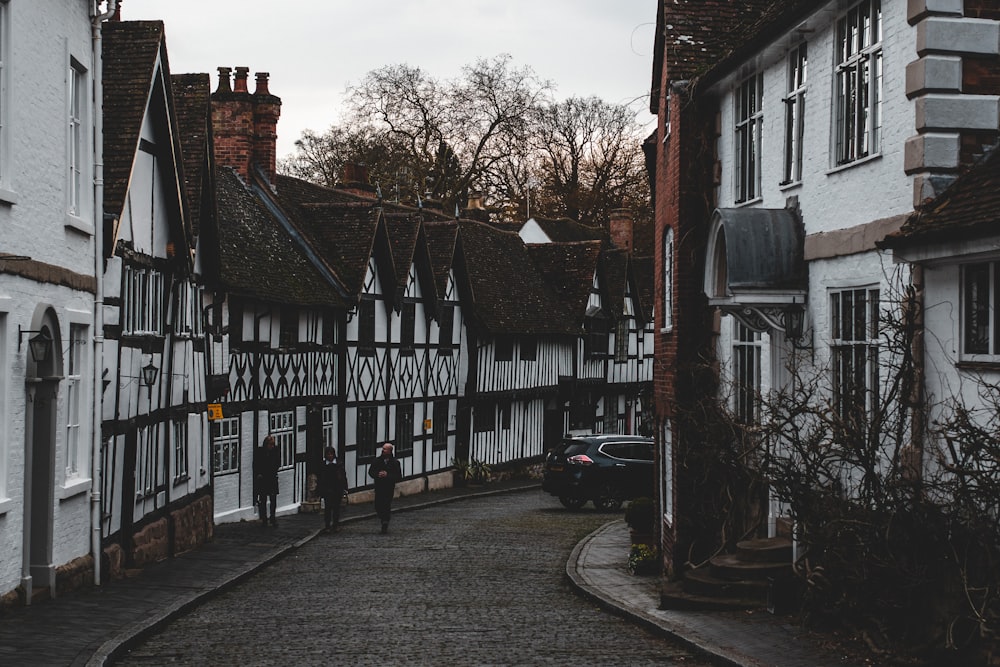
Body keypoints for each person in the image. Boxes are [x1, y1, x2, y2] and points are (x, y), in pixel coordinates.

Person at [368, 442, 401, 534]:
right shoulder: (377, 461)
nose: (383, 450)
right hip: (379, 487)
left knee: (386, 505)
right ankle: (382, 517)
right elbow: (371, 472)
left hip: (389, 487)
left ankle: (385, 522)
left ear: (390, 451)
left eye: (385, 449)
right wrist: (377, 475)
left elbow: (398, 476)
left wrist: (387, 475)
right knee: (378, 505)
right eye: (383, 449)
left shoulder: (395, 463)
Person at [317, 445, 348, 531]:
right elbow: (320, 478)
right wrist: (320, 490)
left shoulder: (339, 464)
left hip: (337, 488)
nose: (330, 456)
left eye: (331, 454)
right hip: (327, 489)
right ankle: (327, 525)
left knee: (336, 508)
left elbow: (343, 476)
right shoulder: (323, 465)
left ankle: (335, 524)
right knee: (328, 508)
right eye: (328, 454)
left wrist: (345, 488)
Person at [253, 434, 280, 526]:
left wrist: (274, 470)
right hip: (263, 479)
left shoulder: (275, 452)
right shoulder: (260, 452)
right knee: (263, 499)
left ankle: (273, 517)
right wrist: (259, 474)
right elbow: (256, 464)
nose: (271, 446)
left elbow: (277, 463)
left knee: (273, 499)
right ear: (266, 444)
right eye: (270, 444)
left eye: (273, 444)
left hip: (272, 478)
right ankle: (264, 518)